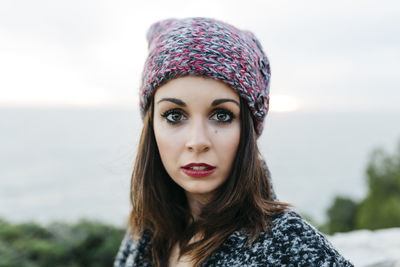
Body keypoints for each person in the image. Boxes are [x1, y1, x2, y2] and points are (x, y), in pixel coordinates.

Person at [114, 17, 353, 267]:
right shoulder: (146, 230)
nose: (197, 141)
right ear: (151, 126)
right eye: (174, 115)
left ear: (248, 128)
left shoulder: (288, 245)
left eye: (222, 116)